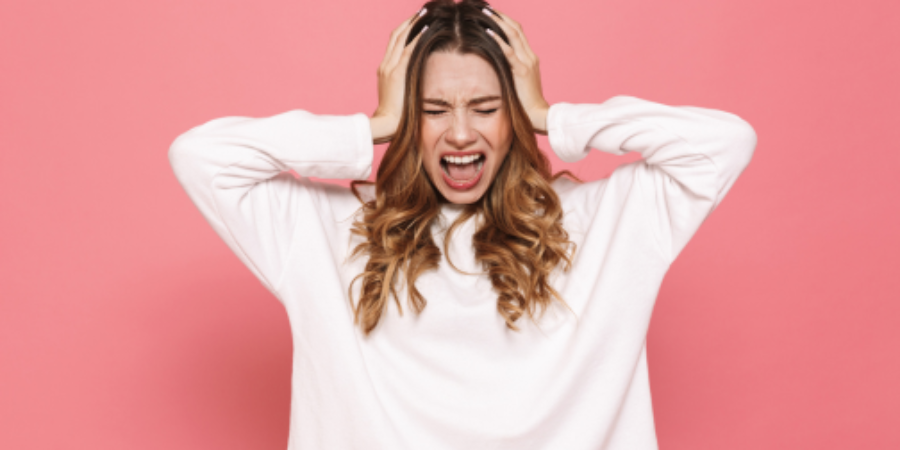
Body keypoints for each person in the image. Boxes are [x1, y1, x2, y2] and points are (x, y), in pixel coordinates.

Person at [167, 0, 757, 448]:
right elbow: (200, 157)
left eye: (485, 107)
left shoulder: (601, 221)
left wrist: (552, 116)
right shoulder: (332, 229)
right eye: (432, 109)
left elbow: (725, 143)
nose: (459, 133)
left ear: (514, 114)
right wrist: (373, 125)